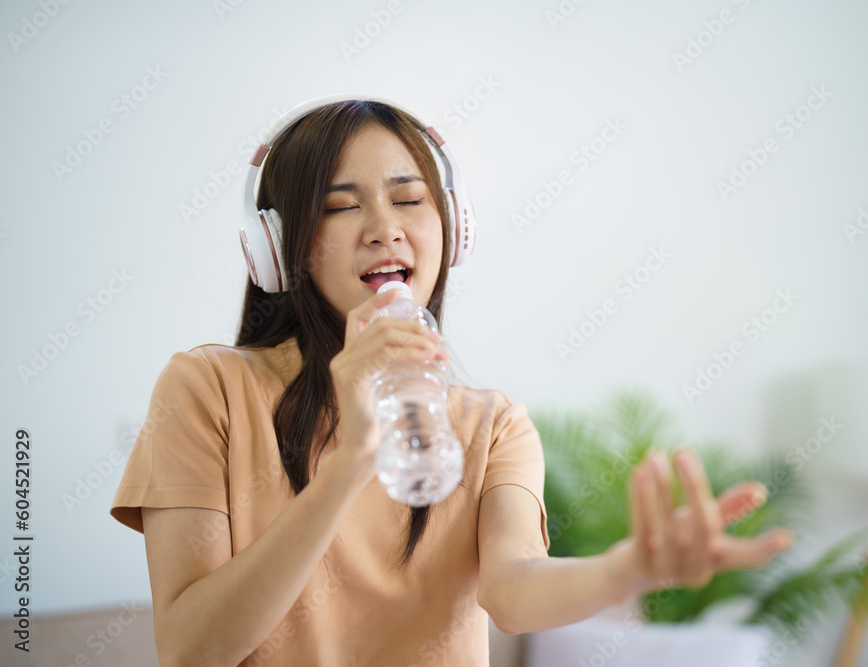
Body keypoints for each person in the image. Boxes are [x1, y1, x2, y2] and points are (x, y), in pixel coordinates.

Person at [110, 97, 794, 666]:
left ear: (452, 228)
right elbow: (189, 650)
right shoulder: (207, 389)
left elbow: (514, 588)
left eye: (409, 198)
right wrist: (350, 464)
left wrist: (624, 571)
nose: (385, 228)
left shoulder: (492, 424)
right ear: (276, 244)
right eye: (341, 207)